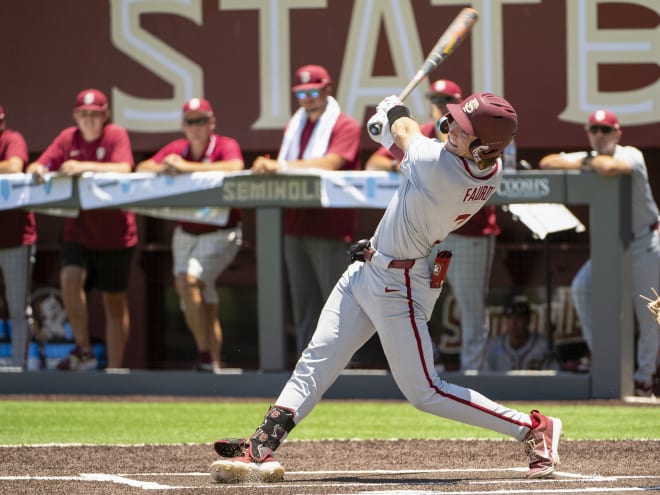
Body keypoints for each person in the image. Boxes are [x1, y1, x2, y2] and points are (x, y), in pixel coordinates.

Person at [210, 92, 562, 483]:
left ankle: (533, 427)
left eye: (464, 129)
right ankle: (261, 446)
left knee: (425, 391)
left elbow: (408, 131)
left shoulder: (439, 166)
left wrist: (393, 110)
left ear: (483, 147)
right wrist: (389, 137)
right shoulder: (481, 169)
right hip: (367, 269)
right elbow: (412, 151)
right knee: (316, 360)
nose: (452, 127)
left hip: (402, 285)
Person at [366, 79, 500, 371]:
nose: (441, 109)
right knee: (419, 304)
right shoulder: (478, 157)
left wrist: (394, 116)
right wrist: (390, 138)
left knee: (470, 308)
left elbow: (432, 158)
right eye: (437, 101)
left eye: (446, 101)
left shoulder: (451, 146)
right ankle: (424, 365)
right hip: (436, 240)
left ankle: (473, 372)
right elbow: (412, 157)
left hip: (468, 238)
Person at [539, 109, 659, 397]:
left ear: (617, 133)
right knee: (582, 288)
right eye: (594, 129)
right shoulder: (589, 156)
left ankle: (646, 379)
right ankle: (608, 365)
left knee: (652, 312)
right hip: (613, 245)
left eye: (606, 130)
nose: (600, 135)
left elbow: (611, 168)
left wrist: (584, 160)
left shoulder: (631, 154)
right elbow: (547, 162)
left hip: (646, 241)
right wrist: (584, 159)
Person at [251, 64, 361, 357]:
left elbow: (330, 163)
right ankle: (307, 374)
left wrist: (280, 166)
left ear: (327, 89)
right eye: (301, 93)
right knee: (304, 307)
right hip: (294, 225)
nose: (308, 98)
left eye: (313, 91)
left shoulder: (345, 124)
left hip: (330, 229)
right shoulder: (295, 124)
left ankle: (341, 370)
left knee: (336, 305)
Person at [27, 89, 137, 370]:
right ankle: (84, 351)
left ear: (105, 115)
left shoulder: (115, 135)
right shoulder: (67, 138)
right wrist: (39, 168)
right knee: (69, 279)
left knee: (114, 302)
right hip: (78, 231)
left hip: (115, 234)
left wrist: (82, 167)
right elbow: (39, 164)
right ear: (76, 116)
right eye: (84, 114)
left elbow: (125, 167)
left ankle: (114, 369)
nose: (89, 119)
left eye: (95, 114)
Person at [136, 97, 244, 371]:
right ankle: (213, 363)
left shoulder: (224, 145)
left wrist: (188, 169)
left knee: (189, 282)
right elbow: (142, 168)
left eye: (201, 120)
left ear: (212, 122)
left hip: (221, 232)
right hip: (185, 232)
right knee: (201, 298)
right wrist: (165, 167)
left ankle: (204, 354)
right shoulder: (178, 148)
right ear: (183, 125)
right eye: (190, 121)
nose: (196, 126)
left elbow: (235, 167)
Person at [0, 104, 37, 368]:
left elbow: (14, 167)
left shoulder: (12, 139)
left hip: (14, 239)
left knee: (17, 308)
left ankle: (18, 367)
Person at [483, 296, 551, 372]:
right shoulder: (494, 345)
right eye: (510, 318)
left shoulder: (544, 345)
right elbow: (486, 375)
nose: (513, 323)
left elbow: (554, 376)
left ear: (528, 320)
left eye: (519, 318)